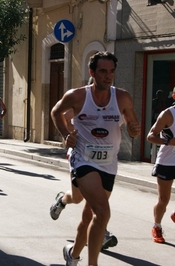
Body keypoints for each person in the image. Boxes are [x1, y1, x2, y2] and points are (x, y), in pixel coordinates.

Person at [51, 51, 141, 266]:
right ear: (92, 72)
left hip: (108, 163)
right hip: (83, 159)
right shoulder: (78, 96)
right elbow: (56, 112)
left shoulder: (122, 97)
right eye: (102, 71)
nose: (108, 76)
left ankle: (72, 254)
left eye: (111, 72)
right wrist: (66, 135)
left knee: (89, 216)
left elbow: (133, 126)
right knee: (102, 212)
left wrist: (134, 129)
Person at [50, 80, 118, 252]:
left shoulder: (111, 106)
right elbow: (63, 117)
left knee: (95, 203)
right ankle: (62, 200)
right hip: (81, 155)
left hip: (102, 161)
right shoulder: (81, 105)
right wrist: (75, 131)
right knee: (77, 197)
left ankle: (101, 232)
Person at [147, 104, 175, 243]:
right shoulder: (167, 114)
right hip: (166, 163)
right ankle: (156, 226)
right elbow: (150, 136)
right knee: (163, 199)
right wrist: (168, 141)